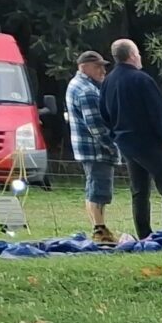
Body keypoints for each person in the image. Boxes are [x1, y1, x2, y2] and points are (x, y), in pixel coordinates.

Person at [98, 38, 162, 239]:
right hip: (149, 142)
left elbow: (104, 113)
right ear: (131, 55)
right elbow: (157, 112)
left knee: (139, 190)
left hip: (127, 144)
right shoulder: (142, 80)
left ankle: (144, 233)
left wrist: (115, 135)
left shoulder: (108, 81)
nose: (139, 56)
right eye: (137, 53)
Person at [63, 50, 117, 240]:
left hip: (87, 148)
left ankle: (99, 227)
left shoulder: (76, 85)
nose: (103, 70)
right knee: (98, 190)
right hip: (96, 150)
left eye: (103, 66)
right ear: (84, 68)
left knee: (93, 187)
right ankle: (99, 230)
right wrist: (111, 145)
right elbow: (96, 126)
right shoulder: (87, 91)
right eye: (98, 67)